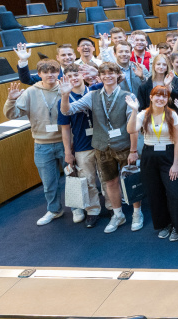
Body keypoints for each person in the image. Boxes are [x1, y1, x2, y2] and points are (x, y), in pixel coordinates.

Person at [60, 62, 143, 234]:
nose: (107, 76)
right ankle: (118, 215)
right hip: (102, 147)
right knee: (110, 182)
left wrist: (134, 151)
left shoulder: (129, 96)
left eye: (111, 73)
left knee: (131, 181)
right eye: (103, 73)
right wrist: (65, 96)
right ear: (100, 76)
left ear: (117, 75)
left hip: (125, 146)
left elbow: (133, 127)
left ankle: (137, 213)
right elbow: (68, 111)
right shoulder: (93, 96)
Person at [4, 60, 66, 226]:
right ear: (39, 74)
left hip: (65, 142)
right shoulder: (31, 92)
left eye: (54, 71)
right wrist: (11, 100)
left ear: (58, 72)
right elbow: (12, 114)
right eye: (46, 72)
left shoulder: (65, 88)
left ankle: (78, 208)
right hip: (42, 145)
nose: (50, 75)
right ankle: (54, 210)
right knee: (49, 182)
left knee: (74, 177)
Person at [126, 86, 178, 241]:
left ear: (167, 99)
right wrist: (134, 110)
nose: (161, 99)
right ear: (151, 97)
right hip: (149, 156)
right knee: (155, 194)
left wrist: (175, 164)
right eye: (157, 96)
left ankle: (176, 226)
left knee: (175, 193)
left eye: (164, 96)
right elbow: (131, 129)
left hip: (168, 155)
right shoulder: (143, 114)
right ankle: (164, 224)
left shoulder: (172, 114)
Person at [57, 64, 109, 227]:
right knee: (88, 180)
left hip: (102, 143)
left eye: (76, 74)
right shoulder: (63, 100)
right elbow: (65, 129)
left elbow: (118, 78)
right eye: (69, 76)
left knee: (108, 177)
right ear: (65, 79)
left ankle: (112, 205)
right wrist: (67, 152)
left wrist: (97, 72)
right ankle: (93, 210)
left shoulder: (96, 90)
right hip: (81, 146)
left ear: (82, 75)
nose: (74, 78)